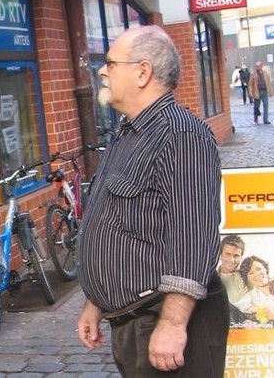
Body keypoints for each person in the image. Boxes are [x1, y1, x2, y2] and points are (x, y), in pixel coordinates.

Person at [76, 25, 229, 377]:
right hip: (132, 321)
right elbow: (120, 223)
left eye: (110, 63)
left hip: (162, 320)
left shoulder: (181, 134)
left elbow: (194, 238)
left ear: (142, 72)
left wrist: (173, 325)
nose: (102, 70)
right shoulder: (129, 132)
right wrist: (96, 301)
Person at [234, 256, 274, 325]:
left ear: (265, 269)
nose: (256, 274)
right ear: (247, 279)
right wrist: (259, 309)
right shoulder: (252, 295)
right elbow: (238, 306)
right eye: (251, 273)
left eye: (258, 269)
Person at [217, 235, 248, 303]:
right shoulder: (211, 279)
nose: (231, 260)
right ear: (220, 254)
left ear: (241, 257)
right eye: (228, 254)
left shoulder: (246, 277)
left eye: (236, 256)